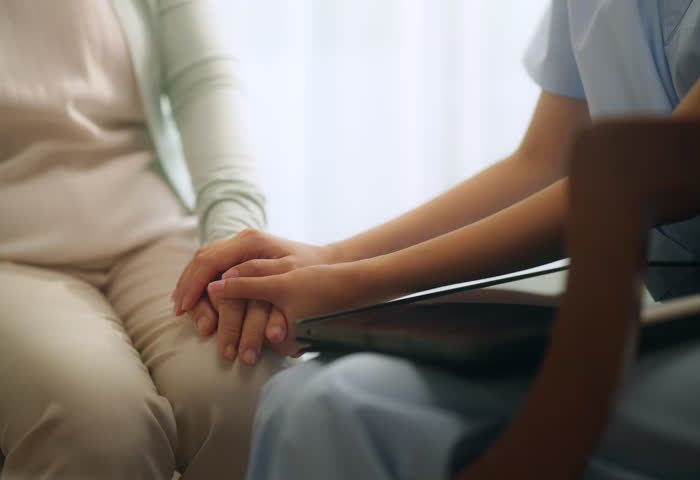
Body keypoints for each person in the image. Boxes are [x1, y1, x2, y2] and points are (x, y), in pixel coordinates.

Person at [172, 0, 700, 477]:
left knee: (343, 406)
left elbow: (665, 169)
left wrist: (356, 283)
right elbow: (545, 162)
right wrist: (331, 259)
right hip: (661, 332)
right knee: (298, 393)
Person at [0, 1, 282, 478]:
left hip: (153, 237)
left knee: (251, 397)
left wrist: (234, 246)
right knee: (102, 427)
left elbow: (205, 82)